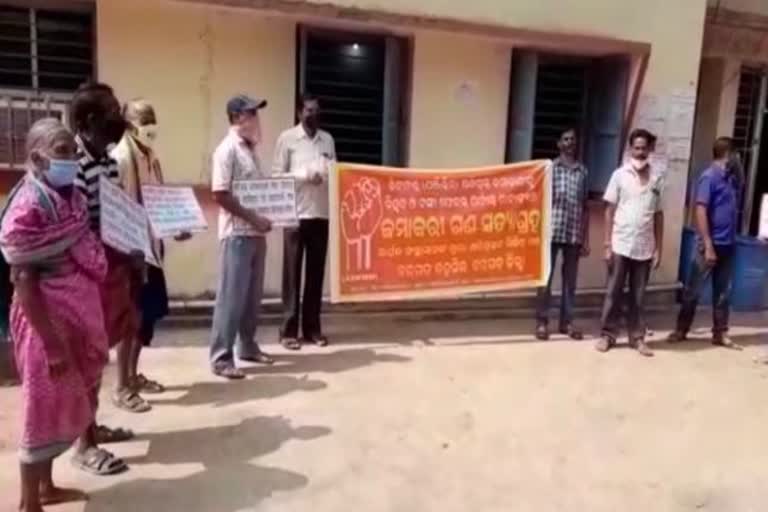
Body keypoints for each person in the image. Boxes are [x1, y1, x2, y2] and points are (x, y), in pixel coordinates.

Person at [1, 118, 112, 511]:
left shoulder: (68, 196)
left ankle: (46, 488)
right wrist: (51, 344)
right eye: (62, 152)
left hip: (74, 321)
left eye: (72, 150)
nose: (72, 159)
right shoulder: (29, 206)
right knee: (41, 410)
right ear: (37, 158)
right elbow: (23, 280)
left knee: (63, 403)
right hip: (45, 327)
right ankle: (29, 502)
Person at [71, 82, 140, 473]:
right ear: (87, 122)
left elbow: (113, 216)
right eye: (111, 112)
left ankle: (92, 427)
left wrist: (132, 249)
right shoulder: (75, 166)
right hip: (85, 277)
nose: (119, 119)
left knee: (99, 357)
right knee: (87, 358)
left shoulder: (109, 161)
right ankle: (84, 444)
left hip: (109, 271)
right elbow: (79, 229)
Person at [112, 99, 192, 400]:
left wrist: (175, 227)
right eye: (145, 120)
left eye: (152, 119)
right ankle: (122, 386)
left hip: (152, 250)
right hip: (132, 252)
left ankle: (133, 375)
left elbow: (159, 202)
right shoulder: (121, 158)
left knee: (146, 318)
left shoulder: (150, 157)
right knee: (129, 318)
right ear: (130, 124)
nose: (150, 126)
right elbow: (118, 210)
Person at [209, 94, 274, 380]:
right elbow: (220, 194)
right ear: (237, 118)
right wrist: (253, 218)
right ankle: (221, 356)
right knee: (231, 297)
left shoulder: (250, 150)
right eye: (251, 114)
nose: (256, 119)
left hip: (256, 234)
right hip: (237, 234)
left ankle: (247, 345)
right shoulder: (227, 151)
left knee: (252, 297)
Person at [273, 94, 336, 350]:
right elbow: (277, 175)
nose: (313, 115)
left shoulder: (327, 139)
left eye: (317, 111)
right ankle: (288, 331)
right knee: (292, 276)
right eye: (309, 110)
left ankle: (312, 330)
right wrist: (303, 175)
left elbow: (335, 170)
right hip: (295, 215)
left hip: (320, 214)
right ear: (300, 113)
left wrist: (327, 173)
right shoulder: (287, 139)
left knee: (315, 276)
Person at [667, 137, 742, 350]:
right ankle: (681, 329)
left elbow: (742, 181)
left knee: (723, 292)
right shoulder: (709, 177)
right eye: (737, 155)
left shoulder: (731, 179)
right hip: (710, 245)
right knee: (694, 290)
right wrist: (708, 244)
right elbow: (700, 210)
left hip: (728, 244)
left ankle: (720, 333)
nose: (739, 159)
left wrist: (738, 169)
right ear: (729, 154)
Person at [597, 129, 664, 357]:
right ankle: (607, 335)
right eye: (637, 148)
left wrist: (658, 248)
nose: (640, 152)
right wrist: (607, 244)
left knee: (638, 296)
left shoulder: (657, 178)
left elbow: (658, 215)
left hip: (644, 247)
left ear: (649, 150)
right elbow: (609, 210)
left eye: (644, 148)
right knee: (613, 293)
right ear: (630, 149)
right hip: (620, 243)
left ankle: (637, 338)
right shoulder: (619, 175)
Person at [535, 128, 589, 341]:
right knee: (545, 280)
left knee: (570, 282)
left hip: (573, 234)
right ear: (558, 144)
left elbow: (585, 207)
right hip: (551, 232)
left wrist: (586, 238)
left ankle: (566, 323)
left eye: (572, 140)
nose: (569, 143)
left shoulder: (582, 172)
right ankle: (542, 322)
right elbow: (538, 201)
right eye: (565, 139)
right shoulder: (549, 169)